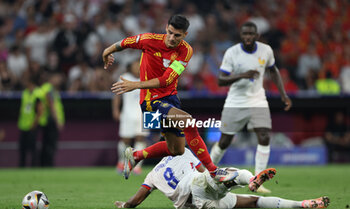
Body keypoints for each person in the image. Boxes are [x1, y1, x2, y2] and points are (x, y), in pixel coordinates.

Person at [103, 14, 236, 182]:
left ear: (185, 35)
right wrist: (107, 51)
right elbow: (125, 43)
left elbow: (166, 80)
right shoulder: (149, 39)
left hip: (170, 98)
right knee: (188, 122)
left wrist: (135, 85)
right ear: (166, 28)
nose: (172, 38)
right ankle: (213, 171)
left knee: (177, 149)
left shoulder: (185, 50)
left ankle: (136, 155)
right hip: (150, 101)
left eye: (177, 35)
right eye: (170, 33)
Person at [210, 21, 292, 193]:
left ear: (257, 35)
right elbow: (220, 80)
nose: (247, 37)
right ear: (241, 36)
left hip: (257, 100)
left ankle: (258, 180)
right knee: (224, 141)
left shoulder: (266, 50)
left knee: (264, 136)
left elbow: (273, 70)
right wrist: (242, 75)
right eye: (244, 34)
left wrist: (283, 94)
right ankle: (207, 170)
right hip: (235, 101)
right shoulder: (232, 52)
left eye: (251, 34)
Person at [114, 148, 329, 209]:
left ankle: (304, 204)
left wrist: (126, 204)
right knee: (222, 176)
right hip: (196, 184)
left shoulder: (152, 174)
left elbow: (138, 199)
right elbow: (202, 169)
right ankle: (250, 179)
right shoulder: (184, 151)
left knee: (252, 202)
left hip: (196, 203)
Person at [112, 60, 148, 175]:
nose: (137, 67)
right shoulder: (124, 78)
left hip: (143, 113)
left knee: (141, 138)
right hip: (127, 113)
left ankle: (136, 165)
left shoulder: (147, 78)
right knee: (125, 140)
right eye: (135, 65)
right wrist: (116, 110)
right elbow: (117, 96)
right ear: (130, 67)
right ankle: (122, 162)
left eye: (139, 65)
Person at [38, 73, 65, 167]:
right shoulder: (49, 89)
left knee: (46, 144)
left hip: (47, 120)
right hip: (50, 120)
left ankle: (44, 164)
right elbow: (52, 105)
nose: (59, 81)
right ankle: (47, 165)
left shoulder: (48, 88)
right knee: (50, 145)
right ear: (52, 78)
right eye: (58, 78)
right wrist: (57, 120)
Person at [17, 77, 43, 167]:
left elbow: (40, 110)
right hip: (23, 124)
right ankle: (22, 166)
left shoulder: (37, 94)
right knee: (22, 148)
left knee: (32, 148)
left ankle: (34, 166)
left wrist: (35, 123)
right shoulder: (25, 93)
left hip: (32, 125)